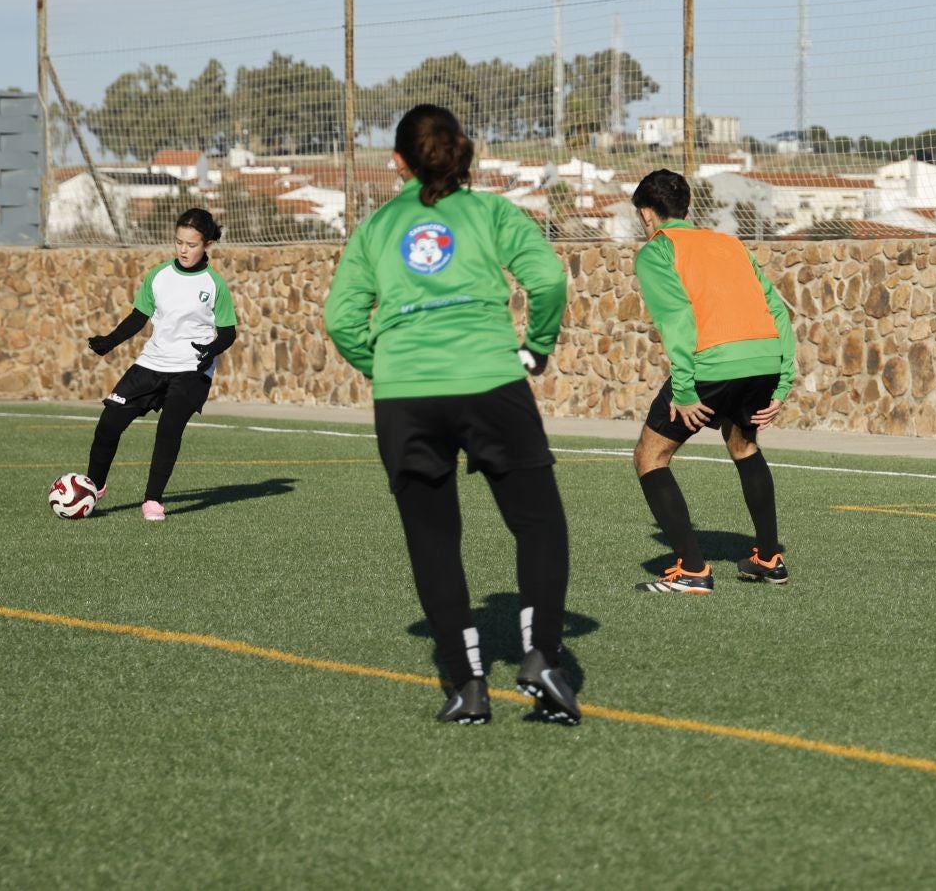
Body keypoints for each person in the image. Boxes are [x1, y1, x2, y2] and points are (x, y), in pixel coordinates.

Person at [323, 104, 578, 726]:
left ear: (398, 161)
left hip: (406, 396)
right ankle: (541, 653)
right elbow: (546, 280)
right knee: (538, 524)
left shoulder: (378, 227)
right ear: (464, 150)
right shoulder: (491, 211)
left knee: (434, 542)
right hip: (491, 380)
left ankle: (466, 687)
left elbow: (339, 319)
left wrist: (385, 367)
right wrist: (536, 347)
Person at [628, 169, 797, 593]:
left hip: (711, 366)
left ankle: (692, 570)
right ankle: (768, 558)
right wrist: (782, 383)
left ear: (647, 214)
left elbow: (678, 320)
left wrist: (684, 390)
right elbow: (778, 311)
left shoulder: (656, 251)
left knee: (650, 457)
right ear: (687, 208)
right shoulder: (729, 244)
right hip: (762, 359)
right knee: (744, 446)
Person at [83, 207, 238, 522]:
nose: (183, 249)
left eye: (191, 244)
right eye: (179, 241)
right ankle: (93, 488)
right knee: (109, 423)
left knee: (169, 430)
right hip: (152, 362)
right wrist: (110, 341)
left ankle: (152, 500)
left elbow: (228, 332)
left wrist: (212, 350)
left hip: (192, 369)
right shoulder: (158, 276)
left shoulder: (215, 284)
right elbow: (140, 316)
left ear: (207, 244)